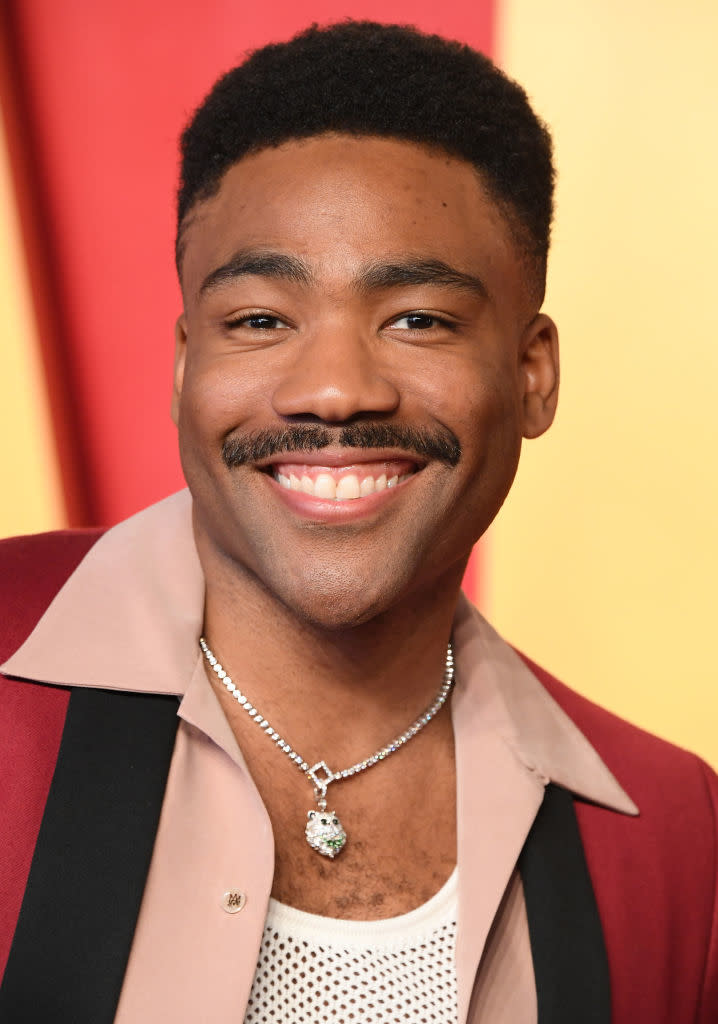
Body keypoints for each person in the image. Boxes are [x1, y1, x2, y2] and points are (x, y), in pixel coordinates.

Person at [0, 21, 716, 1024]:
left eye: (416, 317)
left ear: (531, 374)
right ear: (182, 367)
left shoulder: (667, 832)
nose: (334, 389)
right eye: (259, 319)